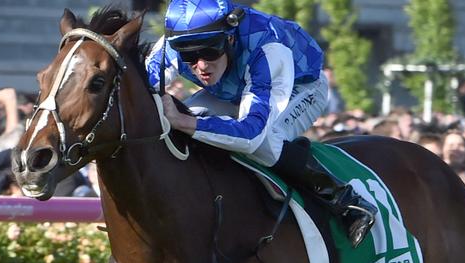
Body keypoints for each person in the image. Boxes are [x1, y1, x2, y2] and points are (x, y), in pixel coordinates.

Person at [145, 0, 376, 247]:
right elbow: (134, 88)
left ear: (230, 38)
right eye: (189, 55)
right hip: (230, 88)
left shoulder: (268, 47)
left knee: (262, 142)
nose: (201, 65)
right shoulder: (172, 44)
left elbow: (250, 134)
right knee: (180, 123)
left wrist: (182, 120)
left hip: (300, 86)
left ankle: (346, 201)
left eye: (211, 51)